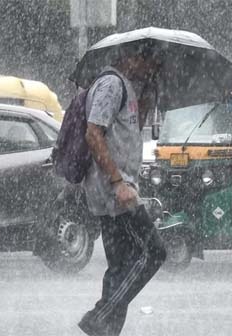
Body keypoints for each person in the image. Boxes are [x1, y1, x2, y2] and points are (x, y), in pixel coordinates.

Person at [77, 44, 167, 336]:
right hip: (115, 191)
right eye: (149, 61)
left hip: (121, 187)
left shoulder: (127, 87)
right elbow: (94, 133)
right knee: (153, 252)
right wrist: (118, 183)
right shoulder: (111, 84)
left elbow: (126, 133)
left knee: (120, 267)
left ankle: (106, 331)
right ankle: (99, 316)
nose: (152, 68)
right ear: (131, 57)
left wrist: (147, 100)